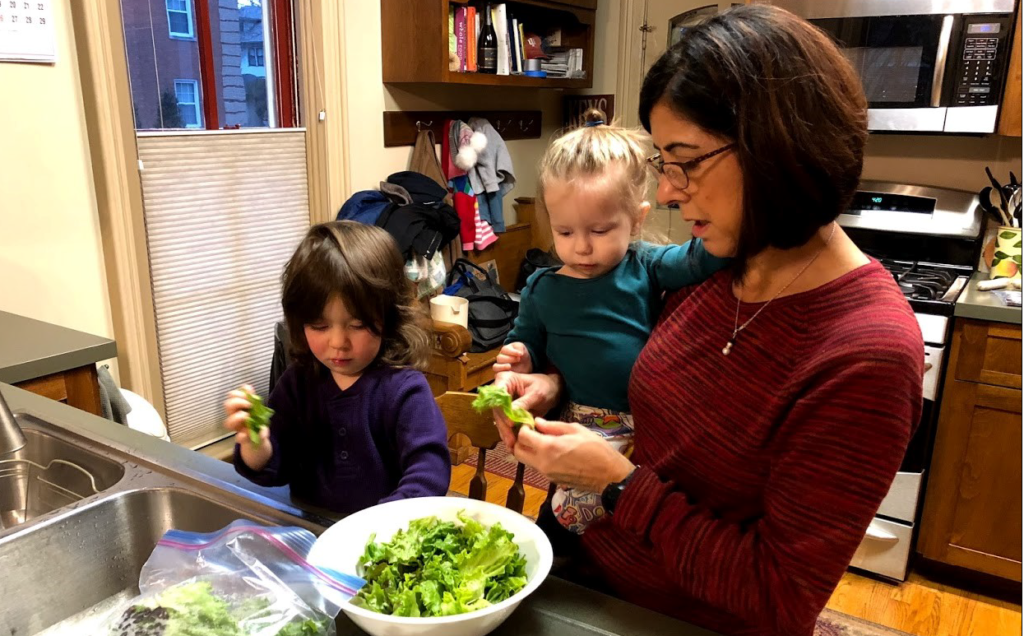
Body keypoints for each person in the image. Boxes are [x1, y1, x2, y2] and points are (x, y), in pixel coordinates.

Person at [491, 6, 924, 636]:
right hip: (583, 559)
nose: (666, 191)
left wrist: (618, 486)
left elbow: (778, 596)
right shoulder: (719, 265)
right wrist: (553, 387)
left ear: (775, 149)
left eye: (685, 160)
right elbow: (637, 386)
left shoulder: (866, 352)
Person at [495, 108, 726, 539]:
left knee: (628, 520)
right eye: (564, 232)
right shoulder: (542, 288)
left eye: (600, 231)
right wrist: (521, 358)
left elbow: (700, 258)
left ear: (637, 219)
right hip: (578, 422)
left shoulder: (648, 266)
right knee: (567, 520)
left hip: (650, 427)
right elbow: (527, 341)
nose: (581, 247)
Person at [224, 221, 451, 515]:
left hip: (385, 538)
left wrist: (376, 525)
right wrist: (257, 446)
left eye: (357, 325)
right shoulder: (298, 382)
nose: (338, 343)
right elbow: (276, 469)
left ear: (389, 317)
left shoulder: (404, 389)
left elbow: (429, 474)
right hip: (309, 526)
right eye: (319, 325)